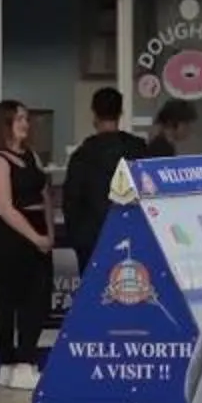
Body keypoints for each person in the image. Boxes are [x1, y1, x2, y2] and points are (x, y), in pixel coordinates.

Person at [0, 99, 55, 390]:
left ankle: (26, 359)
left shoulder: (32, 156)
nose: (25, 124)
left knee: (37, 299)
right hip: (9, 236)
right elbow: (4, 207)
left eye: (26, 118)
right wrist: (34, 237)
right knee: (8, 299)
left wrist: (48, 233)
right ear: (6, 124)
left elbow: (46, 195)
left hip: (37, 230)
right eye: (19, 119)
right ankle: (10, 363)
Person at [62, 86, 151, 273]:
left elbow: (71, 202)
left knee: (95, 290)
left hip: (92, 241)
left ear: (94, 114)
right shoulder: (139, 149)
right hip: (134, 237)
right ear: (121, 113)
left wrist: (77, 238)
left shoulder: (83, 155)